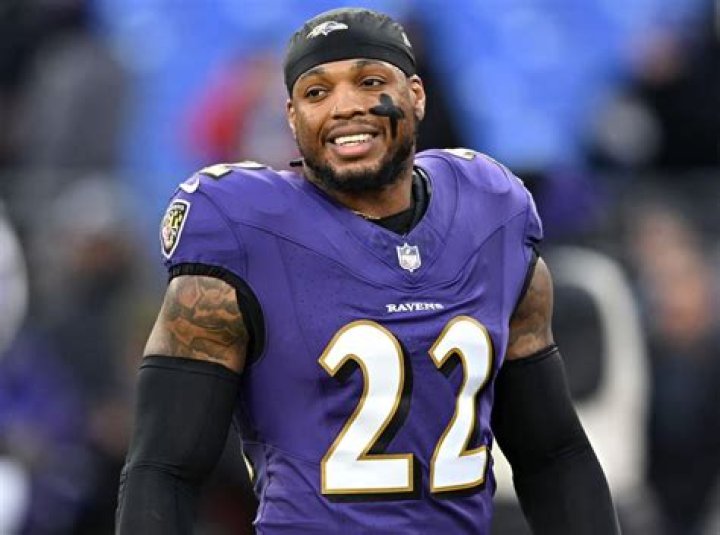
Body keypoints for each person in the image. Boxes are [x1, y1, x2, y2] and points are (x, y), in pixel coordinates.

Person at [116, 8, 619, 534]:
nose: (345, 106)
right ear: (292, 116)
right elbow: (163, 468)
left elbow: (554, 455)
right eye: (317, 92)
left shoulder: (490, 215)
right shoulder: (245, 230)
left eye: (370, 82)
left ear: (416, 95)